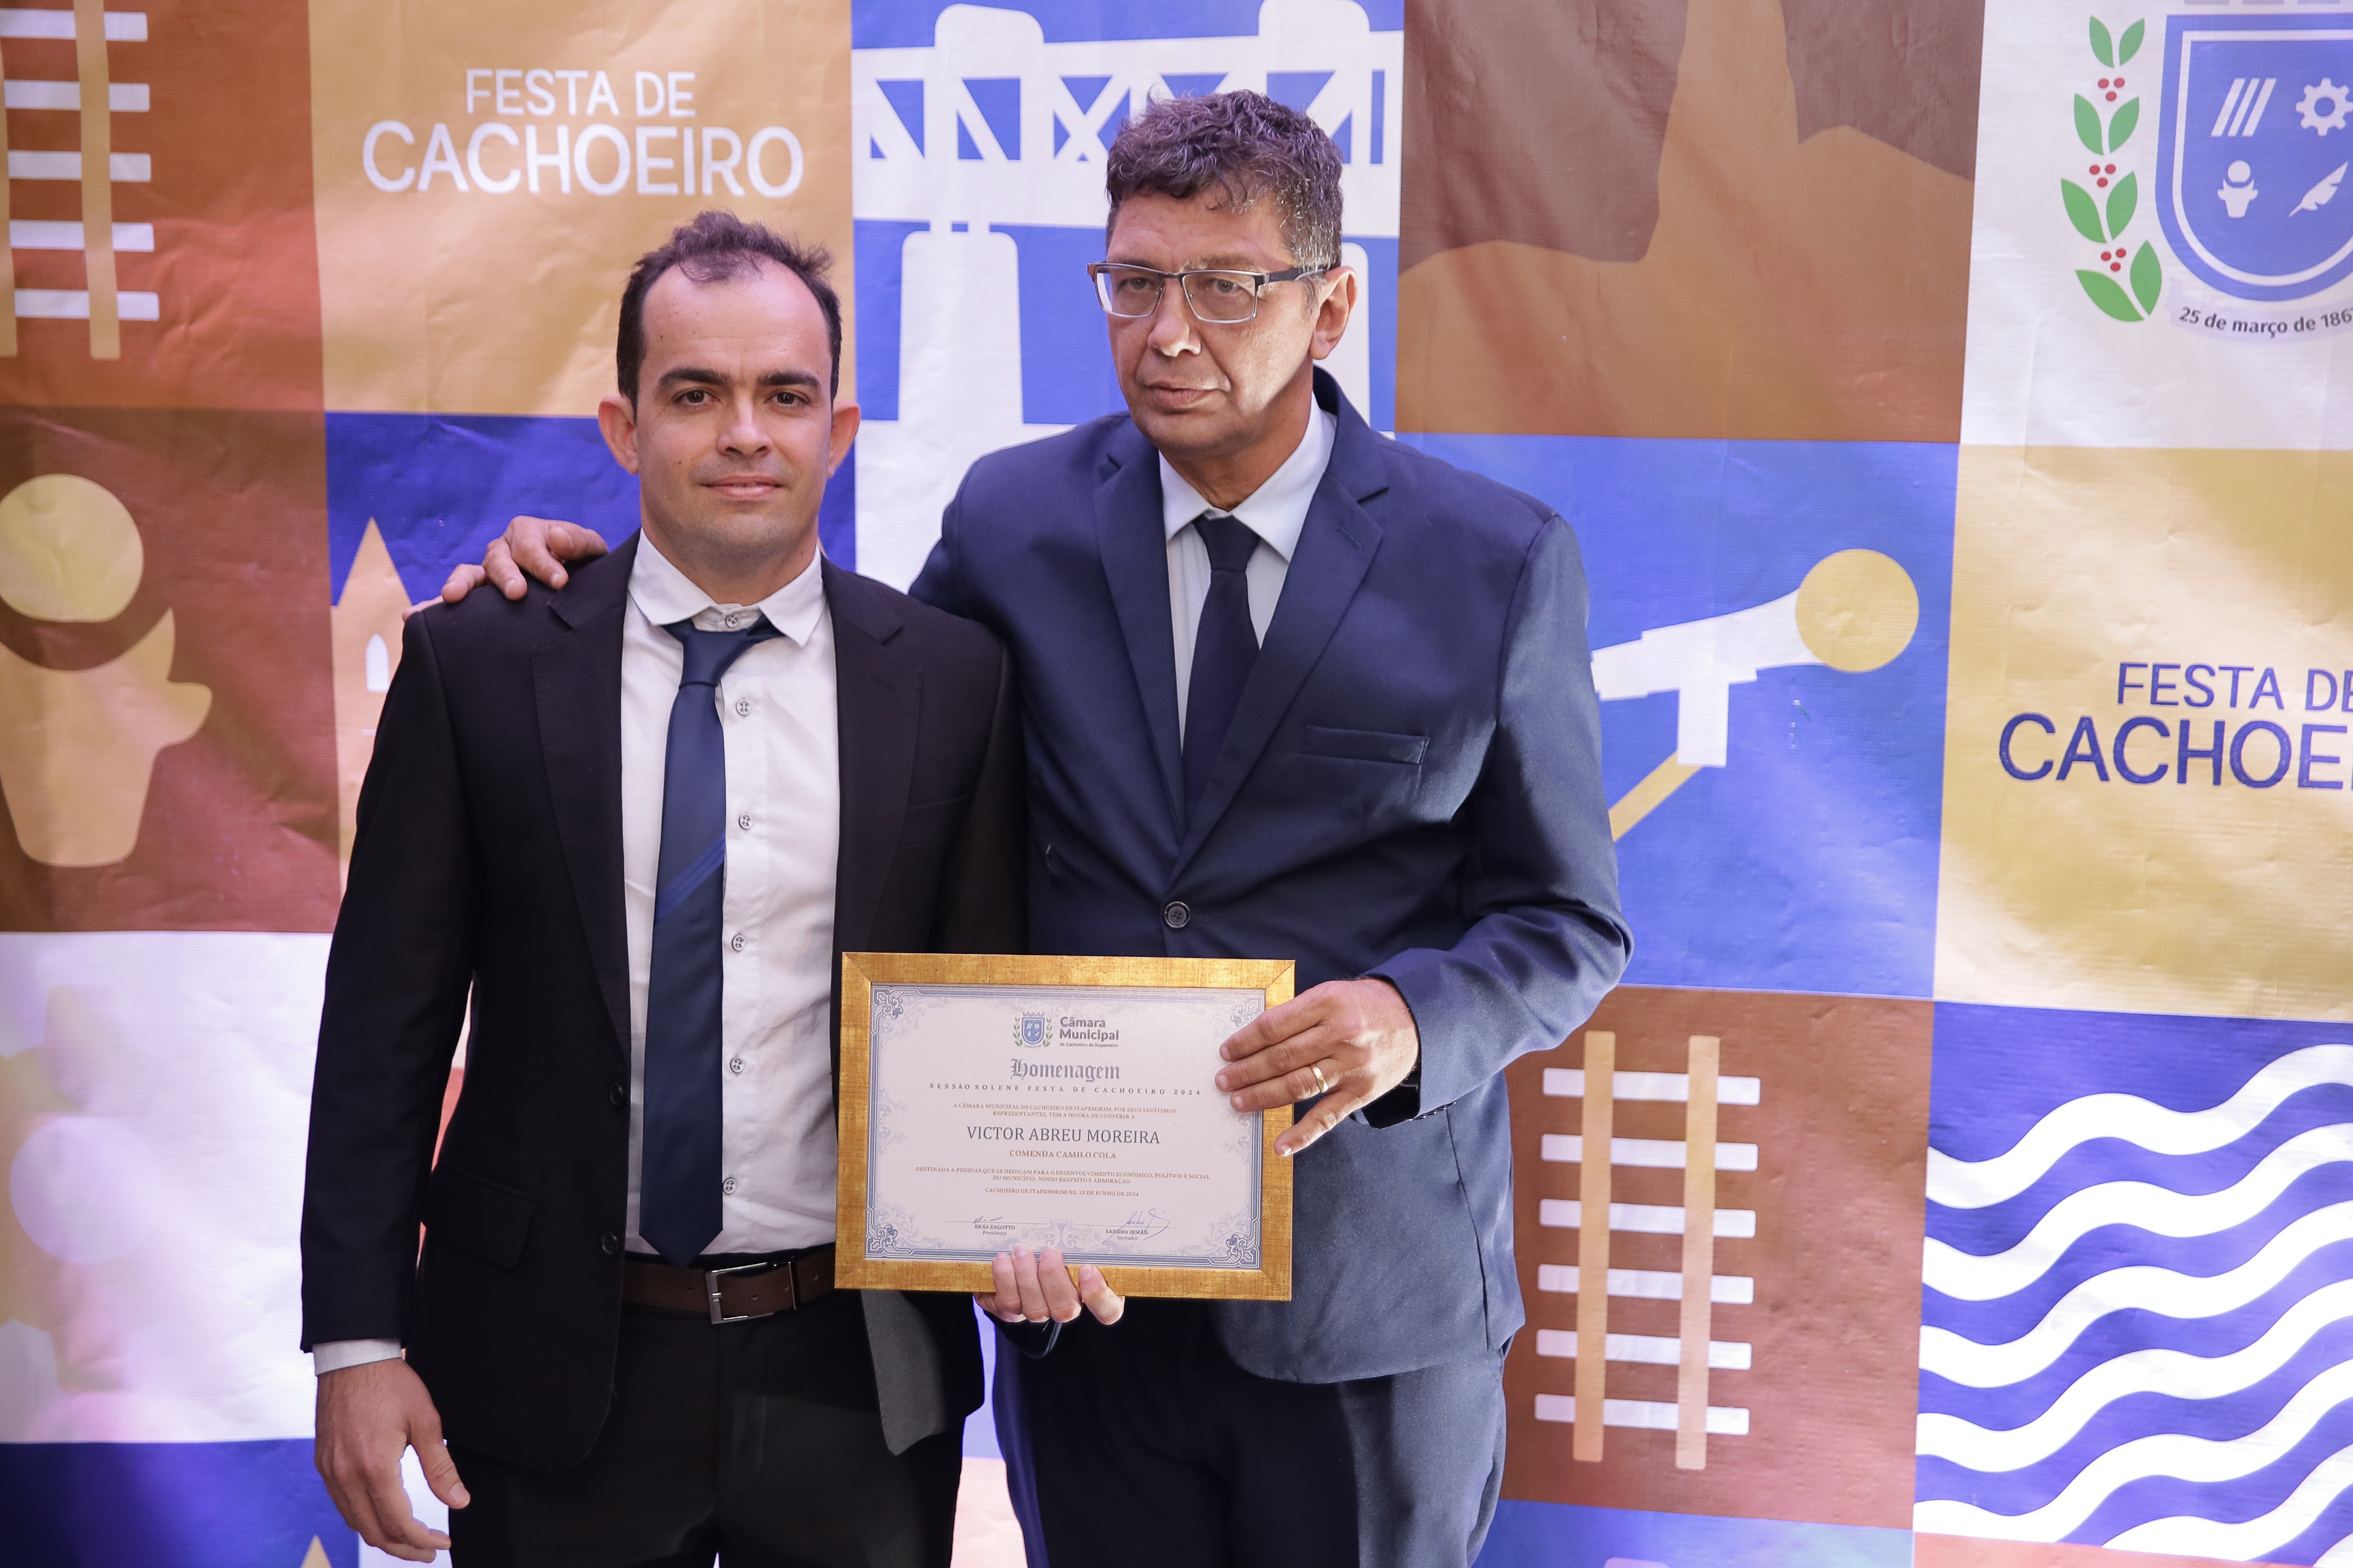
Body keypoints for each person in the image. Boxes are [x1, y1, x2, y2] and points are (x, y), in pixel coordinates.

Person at [448, 93, 1630, 1568]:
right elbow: (847, 709)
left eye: (1226, 287)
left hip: (1368, 1306)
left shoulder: (1495, 560)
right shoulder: (1013, 521)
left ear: (1329, 307)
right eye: (1133, 282)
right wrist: (581, 606)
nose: (1169, 333)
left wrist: (1407, 1018)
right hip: (1077, 1292)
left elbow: (1569, 922)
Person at [301, 211, 1040, 1567]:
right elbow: (381, 1032)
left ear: (840, 429)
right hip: (544, 1363)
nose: (745, 433)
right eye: (695, 394)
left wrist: (1035, 1220)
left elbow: (988, 1001)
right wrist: (356, 1339)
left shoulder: (954, 681)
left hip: (856, 1374)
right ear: (623, 428)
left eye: (786, 396)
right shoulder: (479, 665)